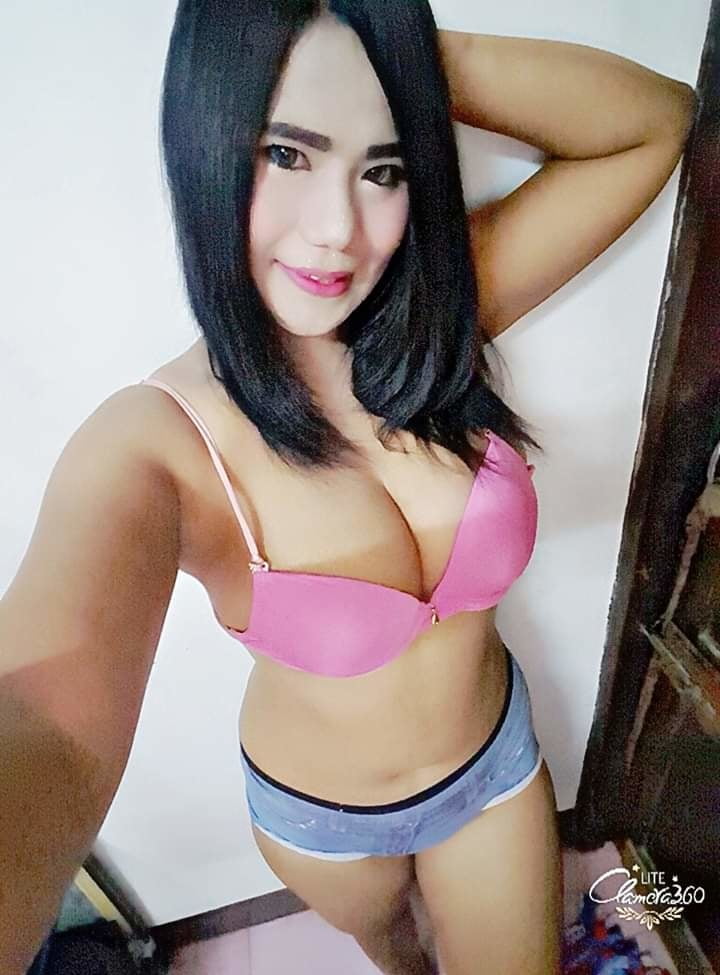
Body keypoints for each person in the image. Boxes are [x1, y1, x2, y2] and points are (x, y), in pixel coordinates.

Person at [0, 2, 696, 973]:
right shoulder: (155, 445)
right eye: (286, 153)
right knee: (402, 958)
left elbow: (655, 122)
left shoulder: (443, 310)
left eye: (384, 168)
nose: (337, 231)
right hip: (328, 821)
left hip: (493, 766)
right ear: (209, 141)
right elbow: (47, 725)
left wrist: (393, 54)